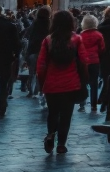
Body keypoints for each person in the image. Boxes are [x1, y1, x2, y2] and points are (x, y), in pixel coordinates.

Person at [36, 10, 85, 154]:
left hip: (51, 83)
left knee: (53, 112)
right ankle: (61, 144)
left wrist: (42, 82)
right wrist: (83, 80)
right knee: (66, 115)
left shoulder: (48, 40)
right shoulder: (76, 39)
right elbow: (83, 61)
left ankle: (51, 134)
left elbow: (41, 65)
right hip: (71, 83)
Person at [78, 14, 105, 113]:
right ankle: (94, 105)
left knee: (82, 82)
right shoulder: (99, 35)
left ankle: (82, 104)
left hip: (84, 61)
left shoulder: (81, 36)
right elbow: (102, 49)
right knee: (94, 84)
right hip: (95, 61)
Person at [25, 6, 51, 106]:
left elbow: (28, 37)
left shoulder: (34, 24)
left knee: (32, 72)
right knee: (43, 73)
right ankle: (40, 91)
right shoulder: (50, 24)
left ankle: (31, 91)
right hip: (45, 52)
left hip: (34, 51)